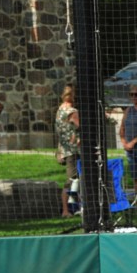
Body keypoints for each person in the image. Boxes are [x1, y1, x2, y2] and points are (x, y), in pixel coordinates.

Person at [56, 84, 80, 218]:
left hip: (64, 148)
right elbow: (81, 126)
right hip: (73, 150)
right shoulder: (71, 111)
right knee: (72, 179)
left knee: (76, 179)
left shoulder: (59, 110)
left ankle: (75, 206)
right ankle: (66, 209)